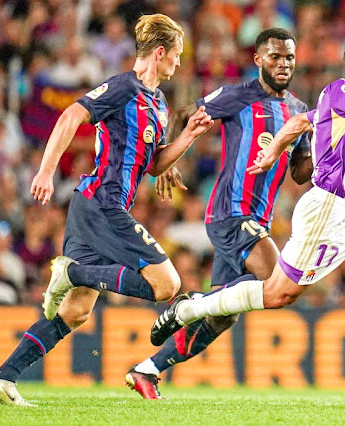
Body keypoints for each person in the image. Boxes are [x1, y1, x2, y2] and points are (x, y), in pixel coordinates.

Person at [151, 32, 345, 397]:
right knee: (278, 294)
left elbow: (300, 123)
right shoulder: (341, 91)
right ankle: (189, 309)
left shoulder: (324, 105)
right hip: (327, 211)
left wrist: (274, 152)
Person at [0, 14, 214, 406]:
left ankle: (3, 377)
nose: (179, 63)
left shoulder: (158, 102)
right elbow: (72, 114)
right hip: (101, 203)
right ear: (160, 53)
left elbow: (154, 164)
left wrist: (188, 135)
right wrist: (46, 169)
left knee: (75, 311)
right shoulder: (125, 87)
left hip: (98, 208)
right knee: (168, 285)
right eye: (175, 55)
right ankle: (71, 272)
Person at [128, 28, 313, 399]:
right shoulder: (237, 96)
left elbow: (300, 171)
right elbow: (183, 115)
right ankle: (189, 305)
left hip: (256, 219)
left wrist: (321, 154)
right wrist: (167, 160)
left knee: (222, 315)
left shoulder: (298, 110)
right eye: (275, 56)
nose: (283, 63)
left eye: (289, 57)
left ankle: (147, 369)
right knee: (281, 283)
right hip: (230, 212)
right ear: (258, 59)